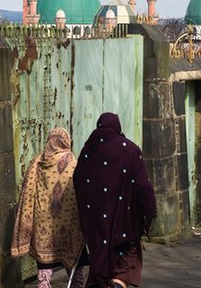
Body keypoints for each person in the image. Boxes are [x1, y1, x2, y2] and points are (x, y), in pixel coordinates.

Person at [73, 113, 157, 288]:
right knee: (125, 264)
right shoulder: (131, 150)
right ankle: (118, 283)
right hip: (125, 224)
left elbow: (78, 180)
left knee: (99, 263)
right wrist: (147, 216)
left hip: (96, 226)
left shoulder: (88, 151)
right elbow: (144, 188)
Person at [11, 127, 86, 288]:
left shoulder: (37, 163)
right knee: (75, 269)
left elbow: (27, 192)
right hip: (68, 224)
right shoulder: (73, 163)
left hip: (44, 223)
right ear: (65, 141)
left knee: (44, 272)